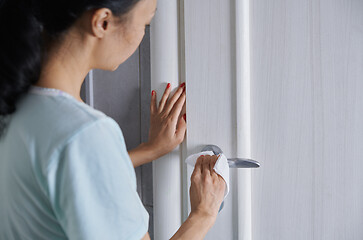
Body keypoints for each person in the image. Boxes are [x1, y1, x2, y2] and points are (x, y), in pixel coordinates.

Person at [0, 0, 226, 239]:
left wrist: (149, 150)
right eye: (145, 23)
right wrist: (204, 213)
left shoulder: (16, 105)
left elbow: (61, 175)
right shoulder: (86, 133)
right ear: (102, 22)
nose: (141, 35)